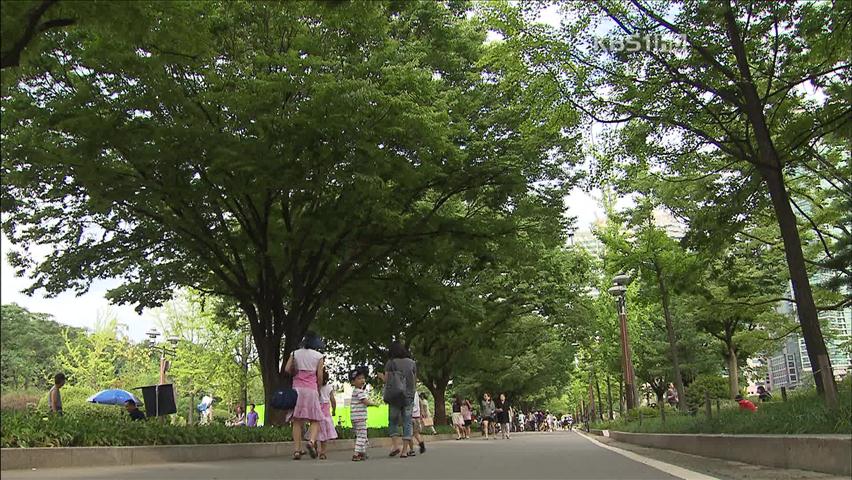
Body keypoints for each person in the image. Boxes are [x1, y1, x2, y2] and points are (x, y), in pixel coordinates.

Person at [283, 332, 325, 460]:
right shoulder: (318, 356)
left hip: (297, 390)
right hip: (311, 390)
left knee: (296, 421)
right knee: (315, 419)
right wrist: (319, 388)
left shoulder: (295, 353)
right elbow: (319, 376)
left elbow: (286, 369)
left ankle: (296, 450)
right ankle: (311, 442)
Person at [379, 341, 417, 458]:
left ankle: (395, 446)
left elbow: (386, 380)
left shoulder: (390, 363)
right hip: (408, 397)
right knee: (407, 422)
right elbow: (415, 380)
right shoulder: (412, 363)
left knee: (393, 421)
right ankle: (405, 451)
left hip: (394, 397)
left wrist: (380, 376)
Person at [350, 368, 373, 462]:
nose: (362, 380)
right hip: (360, 417)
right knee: (362, 436)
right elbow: (365, 401)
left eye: (363, 378)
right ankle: (356, 453)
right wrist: (373, 404)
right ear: (353, 382)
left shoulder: (356, 391)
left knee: (362, 435)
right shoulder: (359, 391)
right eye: (359, 378)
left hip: (355, 417)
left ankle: (362, 452)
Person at [316, 367, 338, 460]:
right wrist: (334, 410)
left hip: (317, 410)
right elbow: (333, 400)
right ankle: (323, 452)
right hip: (326, 412)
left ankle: (315, 446)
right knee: (324, 435)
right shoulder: (329, 387)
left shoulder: (316, 387)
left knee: (316, 432)